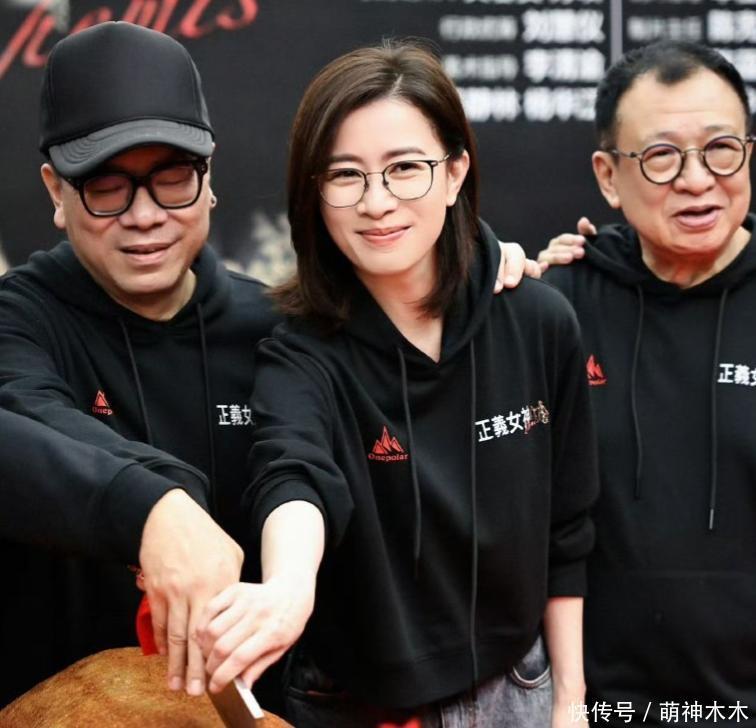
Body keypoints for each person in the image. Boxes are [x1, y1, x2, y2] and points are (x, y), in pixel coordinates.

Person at [0, 22, 533, 707]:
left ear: (209, 176)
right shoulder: (20, 321)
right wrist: (155, 508)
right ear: (55, 190)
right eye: (106, 186)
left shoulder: (283, 329)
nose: (144, 215)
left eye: (171, 179)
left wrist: (482, 272)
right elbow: (22, 423)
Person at [196, 41, 599, 728]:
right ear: (313, 193)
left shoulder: (539, 321)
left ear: (455, 173)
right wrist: (288, 586)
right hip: (355, 704)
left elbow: (567, 531)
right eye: (345, 175)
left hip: (519, 688)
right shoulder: (300, 351)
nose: (377, 202)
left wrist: (569, 700)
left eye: (406, 168)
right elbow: (293, 473)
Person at [539, 41, 756, 724]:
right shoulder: (559, 307)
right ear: (609, 176)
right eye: (662, 156)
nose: (697, 179)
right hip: (598, 711)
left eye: (721, 149)